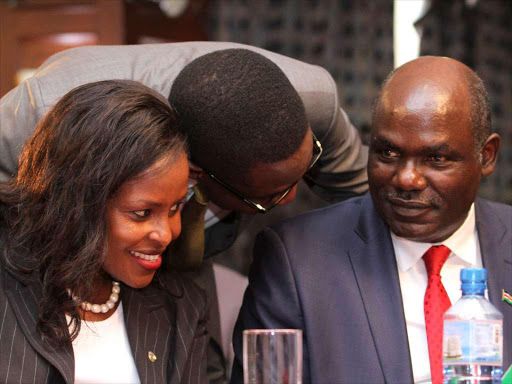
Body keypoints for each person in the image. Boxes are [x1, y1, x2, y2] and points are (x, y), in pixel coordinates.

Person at [0, 42, 368, 381]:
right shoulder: (38, 116)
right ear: (197, 172)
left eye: (175, 207)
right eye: (264, 200)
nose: (287, 201)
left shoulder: (314, 102)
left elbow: (378, 201)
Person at [231, 56, 511, 383]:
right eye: (388, 153)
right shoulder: (298, 260)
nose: (407, 179)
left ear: (486, 156)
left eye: (436, 158)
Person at [0, 80, 208, 384]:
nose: (165, 234)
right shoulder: (8, 286)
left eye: (175, 209)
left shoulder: (182, 308)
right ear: (77, 202)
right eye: (141, 214)